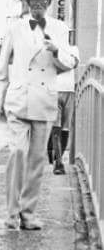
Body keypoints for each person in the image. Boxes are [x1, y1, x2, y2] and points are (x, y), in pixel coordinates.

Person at [0, 0, 78, 230]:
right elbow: (1, 68)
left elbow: (69, 64)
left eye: (42, 1)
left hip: (44, 100)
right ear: (27, 3)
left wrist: (55, 52)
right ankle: (11, 212)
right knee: (18, 153)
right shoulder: (15, 28)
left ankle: (28, 213)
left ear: (49, 3)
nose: (37, 5)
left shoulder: (60, 28)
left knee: (37, 160)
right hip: (18, 99)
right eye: (33, 1)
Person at [48, 44, 80, 175]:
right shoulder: (51, 46)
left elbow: (74, 63)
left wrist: (59, 57)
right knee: (56, 127)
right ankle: (58, 163)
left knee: (65, 129)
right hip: (54, 90)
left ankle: (53, 152)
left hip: (69, 92)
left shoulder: (73, 48)